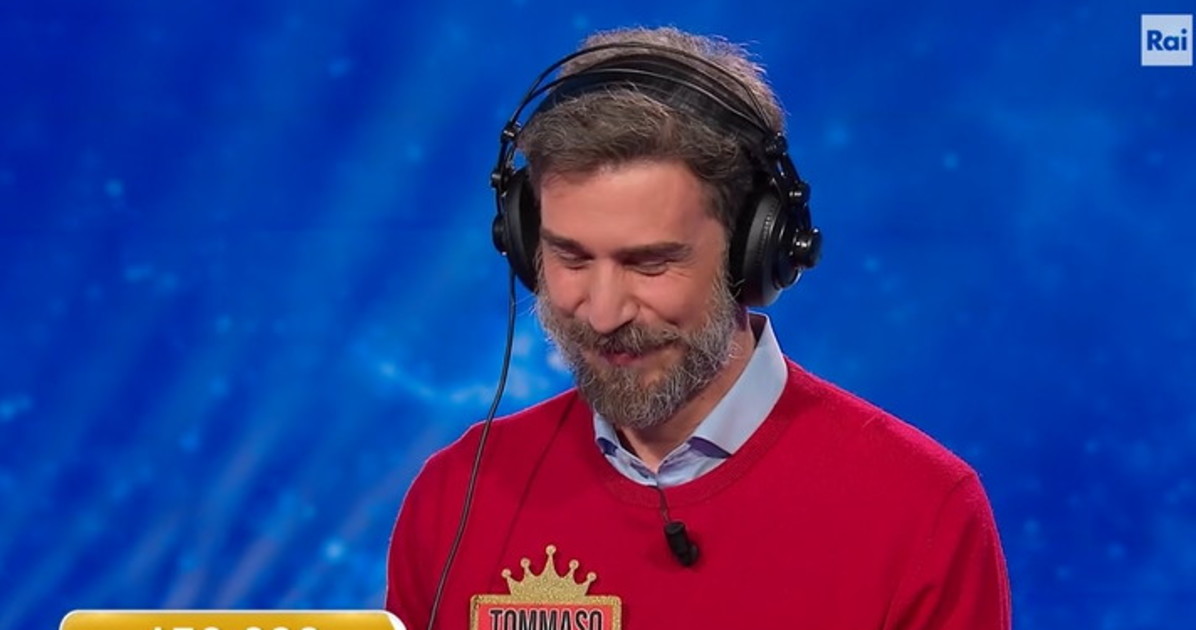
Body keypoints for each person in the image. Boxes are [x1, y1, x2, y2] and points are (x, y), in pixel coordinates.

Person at [386, 26, 1011, 630]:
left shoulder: (923, 512)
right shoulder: (455, 495)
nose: (603, 313)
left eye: (650, 263)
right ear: (524, 244)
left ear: (752, 253)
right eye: (570, 257)